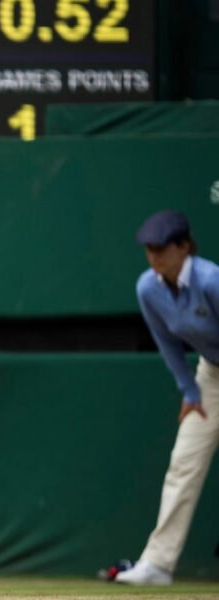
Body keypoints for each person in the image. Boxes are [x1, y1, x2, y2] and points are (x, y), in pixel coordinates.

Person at [115, 210, 219, 586]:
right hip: (211, 377)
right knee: (183, 464)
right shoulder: (148, 288)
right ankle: (157, 565)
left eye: (161, 248)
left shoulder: (212, 281)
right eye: (149, 249)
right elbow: (167, 343)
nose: (154, 257)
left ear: (184, 247)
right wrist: (189, 391)